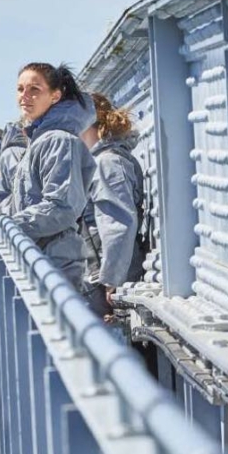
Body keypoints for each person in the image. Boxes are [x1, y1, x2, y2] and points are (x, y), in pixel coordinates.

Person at [0, 62, 97, 289]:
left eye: (35, 89)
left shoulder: (58, 140)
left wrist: (10, 223)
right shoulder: (39, 140)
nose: (25, 96)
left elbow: (61, 208)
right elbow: (24, 198)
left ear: (55, 96)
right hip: (41, 263)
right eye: (20, 89)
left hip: (57, 268)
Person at [79, 92, 146, 317]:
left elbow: (117, 223)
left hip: (111, 285)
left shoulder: (107, 162)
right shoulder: (100, 161)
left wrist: (112, 281)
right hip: (105, 279)